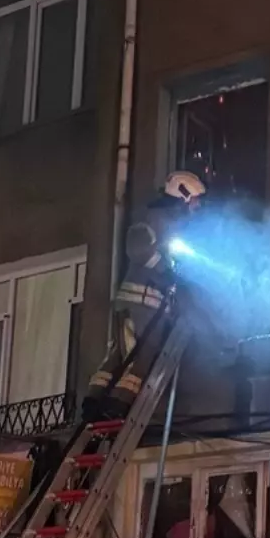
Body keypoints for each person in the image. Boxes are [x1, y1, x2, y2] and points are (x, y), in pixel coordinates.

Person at [83, 170, 207, 424]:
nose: (198, 206)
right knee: (141, 357)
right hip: (143, 305)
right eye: (195, 200)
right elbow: (138, 246)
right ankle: (118, 405)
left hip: (140, 304)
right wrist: (166, 269)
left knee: (118, 355)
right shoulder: (158, 221)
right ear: (183, 196)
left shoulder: (168, 224)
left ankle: (93, 400)